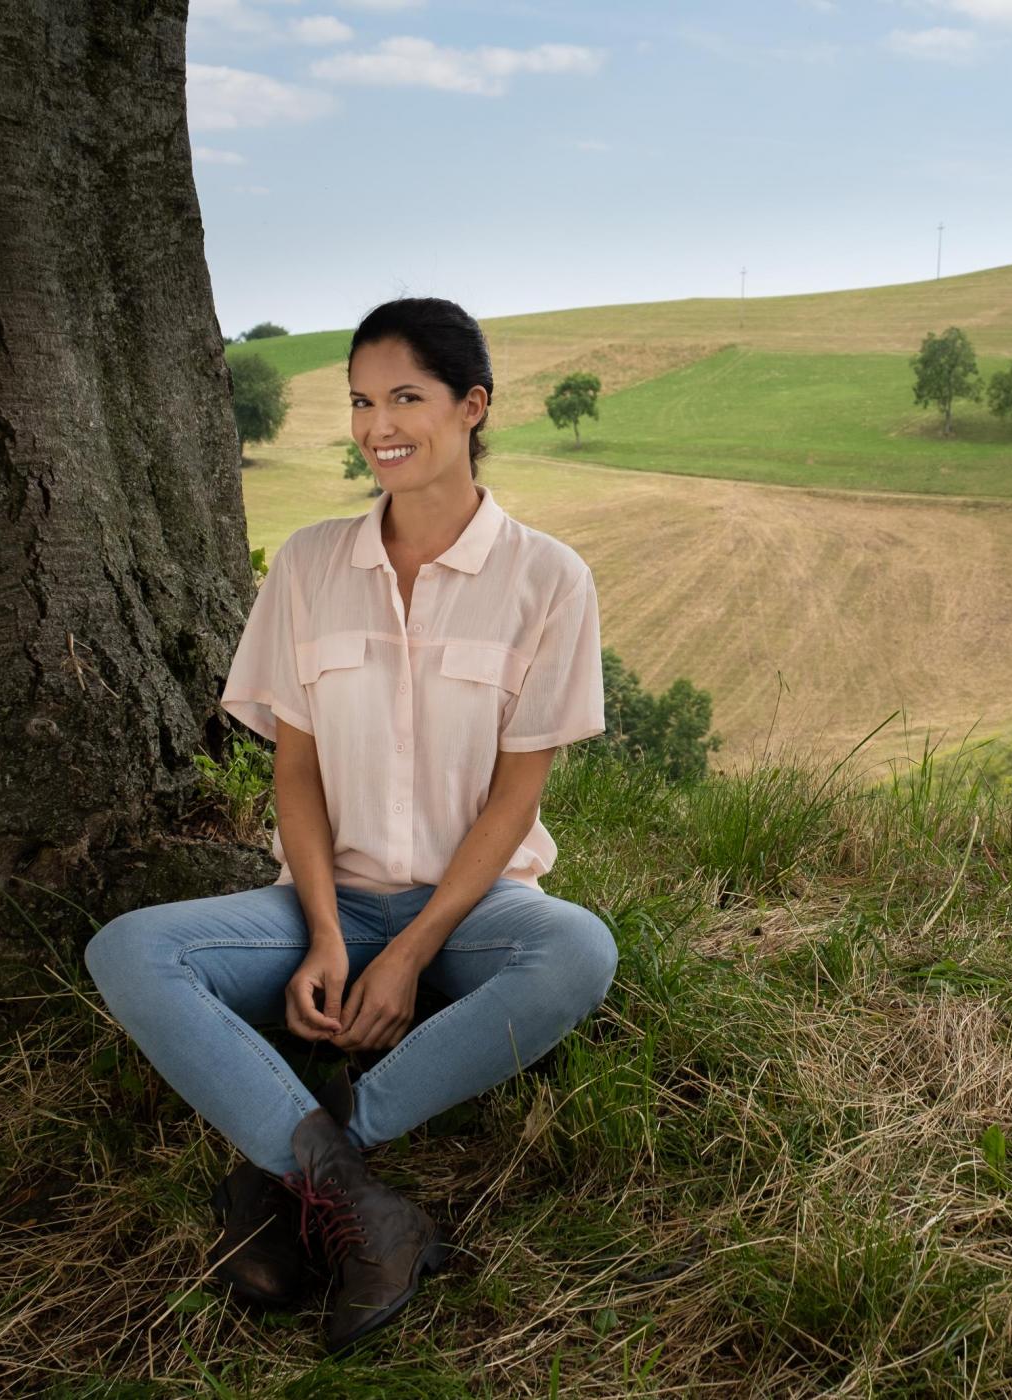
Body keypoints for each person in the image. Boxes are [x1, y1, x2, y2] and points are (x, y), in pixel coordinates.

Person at [85, 297, 618, 1353]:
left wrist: (413, 951)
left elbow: (517, 797)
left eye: (407, 398)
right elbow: (296, 769)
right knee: (131, 948)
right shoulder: (309, 564)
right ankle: (361, 1203)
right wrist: (328, 935)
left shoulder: (549, 578)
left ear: (473, 406)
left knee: (579, 950)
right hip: (320, 899)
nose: (380, 424)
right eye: (363, 401)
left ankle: (293, 1167)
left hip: (475, 911)